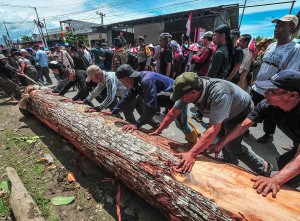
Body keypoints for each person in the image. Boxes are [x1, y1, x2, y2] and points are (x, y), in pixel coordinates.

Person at [150, 72, 272, 176]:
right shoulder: (191, 89)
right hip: (225, 108)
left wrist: (191, 154)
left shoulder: (219, 93)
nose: (181, 99)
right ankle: (230, 163)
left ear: (193, 92)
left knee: (231, 145)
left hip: (240, 111)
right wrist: (159, 130)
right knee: (220, 138)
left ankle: (263, 167)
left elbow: (214, 128)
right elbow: (174, 112)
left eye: (182, 96)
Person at [207, 70, 300, 198]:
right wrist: (220, 144)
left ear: (292, 95)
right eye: (267, 88)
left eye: (273, 91)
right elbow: (242, 126)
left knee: (287, 182)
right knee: (284, 163)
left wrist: (276, 180)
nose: (266, 93)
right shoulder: (268, 105)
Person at [105, 64, 200, 145]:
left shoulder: (146, 80)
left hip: (178, 97)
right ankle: (194, 133)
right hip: (167, 100)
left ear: (126, 78)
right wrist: (114, 111)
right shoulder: (136, 82)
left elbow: (150, 107)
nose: (122, 84)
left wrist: (137, 124)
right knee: (181, 120)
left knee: (181, 123)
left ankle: (193, 142)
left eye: (121, 81)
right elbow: (128, 97)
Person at [251, 14, 300, 144]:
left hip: (272, 89)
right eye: (277, 25)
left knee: (270, 116)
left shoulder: (295, 49)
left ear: (292, 30)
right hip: (257, 86)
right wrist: (255, 79)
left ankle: (268, 134)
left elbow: (289, 73)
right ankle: (246, 128)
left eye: (282, 26)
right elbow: (263, 64)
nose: (277, 28)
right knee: (250, 109)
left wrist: (276, 90)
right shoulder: (271, 45)